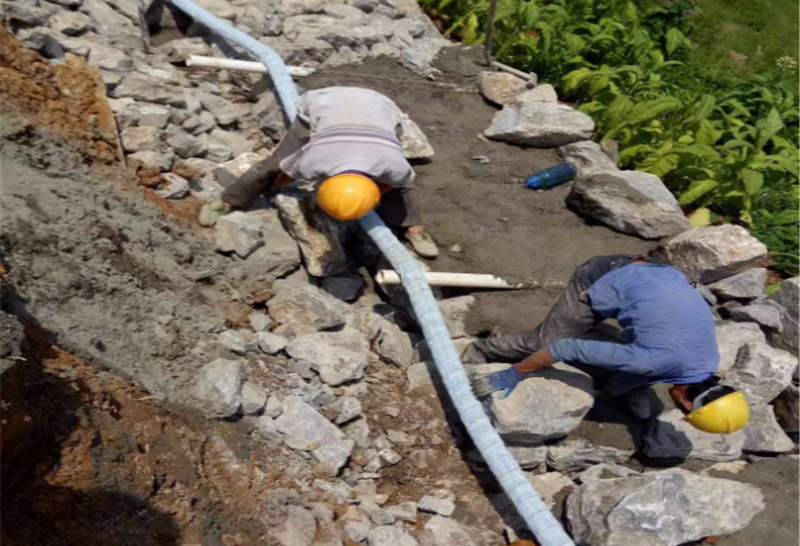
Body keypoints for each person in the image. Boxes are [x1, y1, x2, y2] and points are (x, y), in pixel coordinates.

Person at [466, 254, 749, 433]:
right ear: (687, 401)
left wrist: (615, 390)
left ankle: (619, 385)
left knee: (637, 363)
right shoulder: (651, 361)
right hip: (604, 274)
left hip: (653, 274)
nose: (679, 409)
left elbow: (656, 359)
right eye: (685, 411)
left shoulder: (708, 362)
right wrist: (518, 372)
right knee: (547, 341)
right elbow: (564, 349)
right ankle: (478, 349)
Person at [199, 86, 438, 258]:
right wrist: (274, 189)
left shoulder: (393, 165)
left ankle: (414, 228)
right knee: (272, 165)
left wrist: (379, 191)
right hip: (324, 102)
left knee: (402, 188)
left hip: (380, 105)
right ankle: (228, 201)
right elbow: (284, 171)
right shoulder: (313, 160)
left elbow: (401, 184)